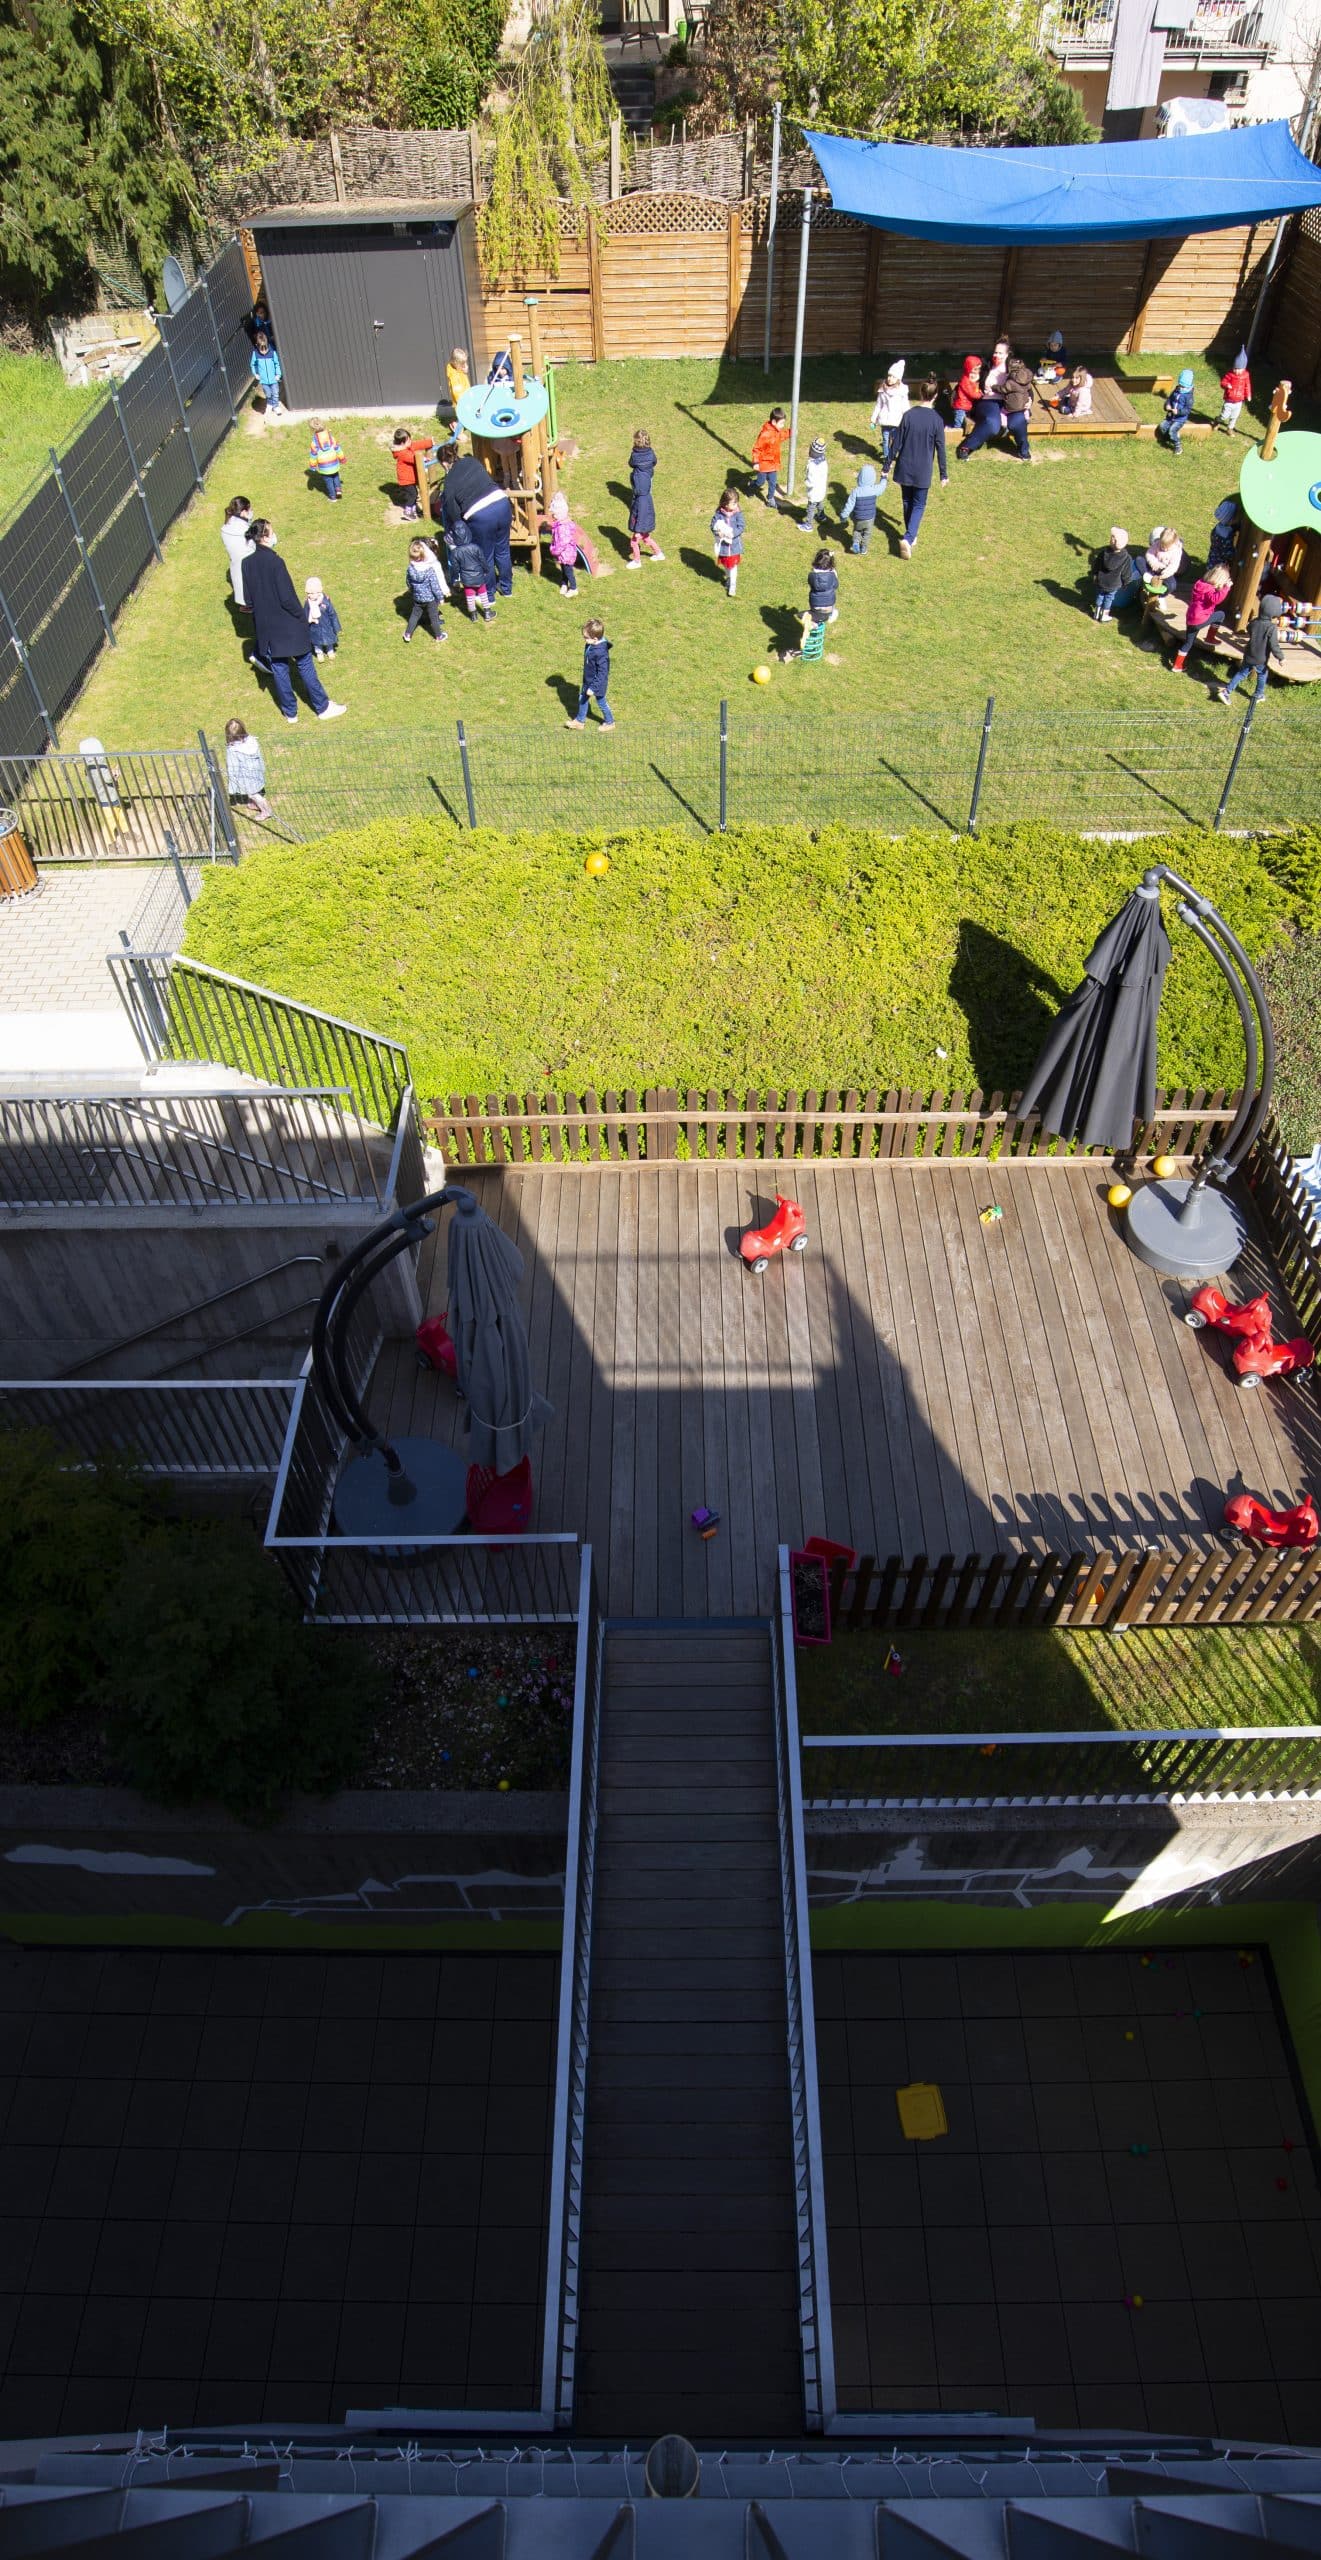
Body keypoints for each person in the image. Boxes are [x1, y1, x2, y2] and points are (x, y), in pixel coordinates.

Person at [242, 520, 346, 723]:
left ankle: (290, 713)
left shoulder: (246, 564)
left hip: (266, 629)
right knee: (305, 664)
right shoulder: (275, 562)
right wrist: (301, 617)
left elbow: (248, 599)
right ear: (265, 536)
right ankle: (322, 707)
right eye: (272, 531)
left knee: (280, 668)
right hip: (288, 625)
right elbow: (287, 598)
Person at [441, 450, 515, 601]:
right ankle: (507, 589)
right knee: (503, 551)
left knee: (484, 556)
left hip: (481, 517)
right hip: (502, 504)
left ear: (444, 463)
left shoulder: (449, 481)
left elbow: (453, 512)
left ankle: (489, 594)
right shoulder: (472, 461)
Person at [889, 378, 947, 559]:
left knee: (907, 501)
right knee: (919, 504)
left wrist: (887, 464)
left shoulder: (908, 415)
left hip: (905, 466)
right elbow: (941, 449)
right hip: (923, 470)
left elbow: (896, 442)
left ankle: (910, 536)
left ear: (920, 393)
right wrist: (943, 474)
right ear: (935, 396)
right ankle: (909, 537)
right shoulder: (937, 420)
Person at [1218, 594, 1285, 704]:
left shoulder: (1254, 623)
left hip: (1249, 654)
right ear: (1274, 612)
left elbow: (1249, 628)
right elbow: (1274, 645)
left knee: (1241, 673)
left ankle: (1226, 691)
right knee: (1263, 675)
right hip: (1260, 659)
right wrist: (1281, 658)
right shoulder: (1271, 628)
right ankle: (1259, 694)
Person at [1170, 564, 1233, 673]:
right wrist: (1226, 588)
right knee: (1221, 614)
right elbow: (1216, 599)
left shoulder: (1200, 583)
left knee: (1189, 643)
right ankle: (1210, 637)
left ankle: (1177, 665)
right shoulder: (1209, 589)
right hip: (1200, 619)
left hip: (1191, 618)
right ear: (1220, 579)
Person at [783, 547, 839, 658]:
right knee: (833, 611)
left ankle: (813, 622)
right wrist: (834, 573)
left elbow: (813, 583)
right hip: (828, 609)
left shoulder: (812, 576)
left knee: (810, 614)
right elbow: (836, 585)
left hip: (815, 607)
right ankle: (822, 619)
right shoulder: (832, 576)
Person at [567, 617, 614, 728]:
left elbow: (602, 673)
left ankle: (610, 722)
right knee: (582, 699)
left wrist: (593, 688)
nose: (584, 640)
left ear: (595, 639)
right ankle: (580, 721)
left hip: (597, 684)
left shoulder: (601, 653)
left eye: (586, 638)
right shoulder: (591, 644)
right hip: (588, 679)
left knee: (601, 702)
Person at [626, 429, 664, 565]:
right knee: (647, 539)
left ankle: (637, 561)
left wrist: (637, 530)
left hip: (641, 523)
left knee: (634, 541)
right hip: (646, 486)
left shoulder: (635, 456)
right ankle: (659, 553)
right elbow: (654, 461)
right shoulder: (651, 453)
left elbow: (641, 513)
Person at [224, 718, 272, 821]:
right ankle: (253, 804)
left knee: (253, 794)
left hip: (246, 777)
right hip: (257, 770)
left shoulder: (233, 750)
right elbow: (259, 756)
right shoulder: (252, 740)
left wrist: (232, 785)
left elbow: (233, 767)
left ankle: (266, 811)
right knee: (255, 790)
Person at [79, 736, 127, 839]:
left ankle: (125, 830)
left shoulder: (89, 767)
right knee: (111, 820)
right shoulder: (100, 766)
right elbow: (108, 778)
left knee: (120, 813)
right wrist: (116, 773)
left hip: (104, 796)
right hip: (108, 797)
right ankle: (111, 843)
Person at [445, 521, 493, 622]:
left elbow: (455, 567)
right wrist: (486, 570)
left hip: (466, 578)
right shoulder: (475, 548)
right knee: (483, 594)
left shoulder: (455, 552)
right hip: (479, 575)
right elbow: (483, 561)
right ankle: (487, 613)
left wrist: (455, 578)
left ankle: (473, 615)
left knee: (469, 596)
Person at [403, 538, 449, 644]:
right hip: (430, 599)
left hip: (417, 597)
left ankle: (408, 634)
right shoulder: (429, 570)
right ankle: (439, 636)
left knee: (414, 615)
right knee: (434, 617)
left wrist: (412, 590)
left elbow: (408, 581)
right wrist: (440, 598)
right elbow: (435, 586)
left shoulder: (410, 569)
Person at [1091, 526, 1141, 621]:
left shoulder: (1103, 553)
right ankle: (1104, 615)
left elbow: (1096, 565)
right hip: (1113, 584)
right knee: (1109, 598)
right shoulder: (1126, 558)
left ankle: (1096, 613)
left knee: (1100, 595)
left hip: (1101, 581)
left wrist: (1095, 574)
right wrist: (1126, 583)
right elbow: (1126, 573)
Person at [543, 493, 589, 594]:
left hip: (566, 554)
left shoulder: (563, 528)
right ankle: (564, 584)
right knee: (563, 569)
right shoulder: (560, 524)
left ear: (560, 514)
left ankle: (573, 588)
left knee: (568, 571)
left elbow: (562, 543)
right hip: (563, 554)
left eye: (554, 515)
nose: (553, 516)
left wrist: (554, 550)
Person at [871, 361, 908, 479]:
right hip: (885, 421)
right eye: (889, 375)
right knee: (886, 440)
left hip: (897, 421)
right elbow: (878, 405)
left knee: (897, 441)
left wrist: (908, 417)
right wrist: (873, 419)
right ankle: (888, 458)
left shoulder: (902, 391)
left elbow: (905, 406)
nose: (890, 378)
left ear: (898, 379)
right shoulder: (883, 389)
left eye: (893, 376)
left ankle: (896, 457)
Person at [391, 425, 434, 522]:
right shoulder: (403, 453)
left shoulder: (406, 447)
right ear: (402, 443)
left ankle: (413, 510)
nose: (411, 442)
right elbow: (414, 459)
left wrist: (429, 442)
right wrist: (424, 460)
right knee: (413, 494)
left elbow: (416, 445)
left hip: (410, 478)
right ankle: (408, 511)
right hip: (406, 480)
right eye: (409, 441)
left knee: (413, 494)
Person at [999, 358, 1036, 462]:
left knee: (1017, 423)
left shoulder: (1015, 379)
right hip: (1003, 405)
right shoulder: (1021, 377)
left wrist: (1030, 401)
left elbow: (1030, 392)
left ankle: (1024, 451)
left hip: (1016, 408)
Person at [751, 406, 789, 508]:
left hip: (773, 464)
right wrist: (756, 463)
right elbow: (757, 449)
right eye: (781, 423)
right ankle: (752, 486)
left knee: (773, 482)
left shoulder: (777, 432)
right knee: (760, 482)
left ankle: (770, 499)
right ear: (773, 422)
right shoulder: (765, 434)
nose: (782, 425)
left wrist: (790, 432)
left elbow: (782, 435)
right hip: (764, 464)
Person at [710, 488, 744, 596]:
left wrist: (733, 534)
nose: (735, 505)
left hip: (734, 546)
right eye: (733, 503)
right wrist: (717, 532)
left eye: (736, 503)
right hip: (723, 547)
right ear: (725, 504)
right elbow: (712, 525)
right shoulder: (719, 514)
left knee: (733, 566)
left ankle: (733, 585)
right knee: (726, 565)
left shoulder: (738, 513)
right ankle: (729, 579)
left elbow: (741, 526)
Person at [840, 461, 879, 554]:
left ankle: (856, 543)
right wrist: (884, 478)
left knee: (857, 530)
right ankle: (863, 549)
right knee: (867, 533)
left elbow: (849, 505)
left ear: (860, 477)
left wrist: (844, 515)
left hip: (858, 517)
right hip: (870, 518)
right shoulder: (874, 489)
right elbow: (882, 487)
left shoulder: (856, 491)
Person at [221, 496, 254, 609]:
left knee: (241, 586)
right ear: (244, 512)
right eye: (250, 510)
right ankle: (249, 606)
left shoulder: (226, 526)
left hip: (235, 563)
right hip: (249, 564)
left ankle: (245, 605)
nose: (251, 512)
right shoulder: (244, 530)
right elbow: (255, 545)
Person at [1157, 368, 1195, 454]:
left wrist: (1178, 411)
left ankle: (1178, 446)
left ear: (1189, 386)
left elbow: (1187, 410)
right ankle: (1169, 438)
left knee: (1172, 431)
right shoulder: (1176, 390)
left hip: (1179, 419)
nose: (1180, 387)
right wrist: (1167, 405)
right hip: (1170, 416)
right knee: (1162, 426)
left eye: (1183, 386)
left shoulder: (1189, 397)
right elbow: (1170, 399)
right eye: (1180, 385)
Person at [304, 576, 340, 659]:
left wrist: (335, 626)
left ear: (319, 591)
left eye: (313, 593)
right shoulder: (308, 603)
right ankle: (319, 653)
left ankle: (330, 651)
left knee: (329, 640)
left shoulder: (325, 602)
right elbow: (305, 614)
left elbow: (332, 614)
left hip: (326, 626)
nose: (310, 595)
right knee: (317, 642)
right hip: (314, 627)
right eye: (308, 593)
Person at [798, 436, 829, 534]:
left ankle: (808, 525)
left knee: (811, 508)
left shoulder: (812, 465)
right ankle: (821, 516)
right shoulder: (823, 461)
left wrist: (806, 482)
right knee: (819, 503)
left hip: (814, 491)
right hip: (821, 489)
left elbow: (811, 481)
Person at [307, 420, 344, 500]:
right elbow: (337, 448)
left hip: (324, 467)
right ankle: (338, 490)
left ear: (312, 429)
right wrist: (342, 458)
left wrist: (312, 466)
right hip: (334, 463)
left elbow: (313, 455)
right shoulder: (331, 438)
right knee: (335, 476)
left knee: (328, 481)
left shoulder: (314, 443)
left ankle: (333, 497)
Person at [1218, 348, 1251, 434]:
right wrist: (1226, 385)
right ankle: (1217, 420)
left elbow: (1247, 386)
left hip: (1239, 400)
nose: (1236, 370)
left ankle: (1230, 428)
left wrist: (1248, 395)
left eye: (1238, 369)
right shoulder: (1230, 375)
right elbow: (1223, 382)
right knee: (1224, 416)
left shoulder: (1245, 376)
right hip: (1229, 399)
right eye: (1235, 368)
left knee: (1234, 416)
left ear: (1244, 368)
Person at [250, 332, 283, 417]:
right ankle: (269, 404)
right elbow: (253, 364)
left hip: (273, 379)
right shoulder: (256, 354)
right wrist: (256, 374)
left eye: (265, 349)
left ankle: (275, 406)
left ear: (268, 345)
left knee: (275, 393)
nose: (264, 351)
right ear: (257, 346)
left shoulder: (272, 353)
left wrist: (278, 374)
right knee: (268, 393)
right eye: (262, 349)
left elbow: (277, 364)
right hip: (264, 380)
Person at [1143, 526, 1184, 594]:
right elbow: (1149, 554)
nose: (1164, 549)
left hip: (1164, 572)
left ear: (1174, 542)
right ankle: (1147, 576)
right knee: (1139, 560)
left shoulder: (1176, 551)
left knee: (1172, 585)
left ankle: (1160, 595)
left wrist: (1165, 574)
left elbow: (1173, 566)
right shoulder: (1157, 543)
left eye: (1167, 548)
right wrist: (1154, 563)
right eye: (1162, 546)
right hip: (1153, 567)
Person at [1207, 495, 1240, 574]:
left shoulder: (1218, 528)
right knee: (1217, 584)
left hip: (1212, 561)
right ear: (1231, 519)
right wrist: (1236, 554)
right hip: (1218, 569)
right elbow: (1228, 554)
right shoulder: (1225, 537)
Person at [951, 356, 982, 438]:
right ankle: (955, 434)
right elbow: (972, 393)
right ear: (968, 368)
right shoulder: (965, 380)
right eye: (975, 369)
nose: (977, 371)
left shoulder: (969, 378)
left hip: (967, 406)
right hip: (961, 406)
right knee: (959, 421)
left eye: (979, 369)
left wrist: (975, 382)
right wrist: (980, 394)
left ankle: (963, 434)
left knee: (965, 421)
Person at [446, 345, 471, 410]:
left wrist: (464, 371)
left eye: (465, 363)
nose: (465, 365)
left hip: (466, 398)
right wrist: (463, 404)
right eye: (462, 364)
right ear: (456, 363)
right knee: (464, 418)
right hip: (461, 404)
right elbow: (457, 392)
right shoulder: (454, 376)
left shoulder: (458, 369)